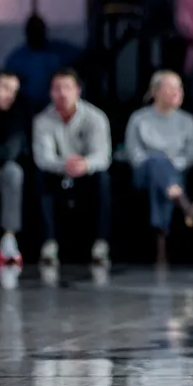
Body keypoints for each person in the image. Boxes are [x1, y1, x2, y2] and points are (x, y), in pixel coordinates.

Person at [33, 69, 114, 265]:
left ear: (77, 90)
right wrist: (65, 165)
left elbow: (103, 155)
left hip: (86, 173)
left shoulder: (96, 117)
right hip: (57, 172)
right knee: (41, 177)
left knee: (103, 179)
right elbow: (43, 158)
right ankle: (49, 244)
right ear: (51, 92)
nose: (62, 93)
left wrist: (85, 164)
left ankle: (100, 244)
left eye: (67, 87)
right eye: (57, 88)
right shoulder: (42, 120)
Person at [125, 70, 193, 264]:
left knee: (163, 172)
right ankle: (182, 201)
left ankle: (160, 232)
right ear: (155, 92)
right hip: (144, 172)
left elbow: (191, 154)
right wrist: (158, 164)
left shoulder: (187, 121)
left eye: (179, 87)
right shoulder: (139, 119)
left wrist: (171, 165)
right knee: (156, 161)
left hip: (176, 173)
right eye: (170, 87)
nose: (177, 92)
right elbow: (134, 153)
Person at [0, 71, 25, 266]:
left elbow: (8, 153)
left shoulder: (14, 114)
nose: (10, 95)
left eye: (14, 91)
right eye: (5, 88)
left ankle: (9, 240)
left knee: (13, 171)